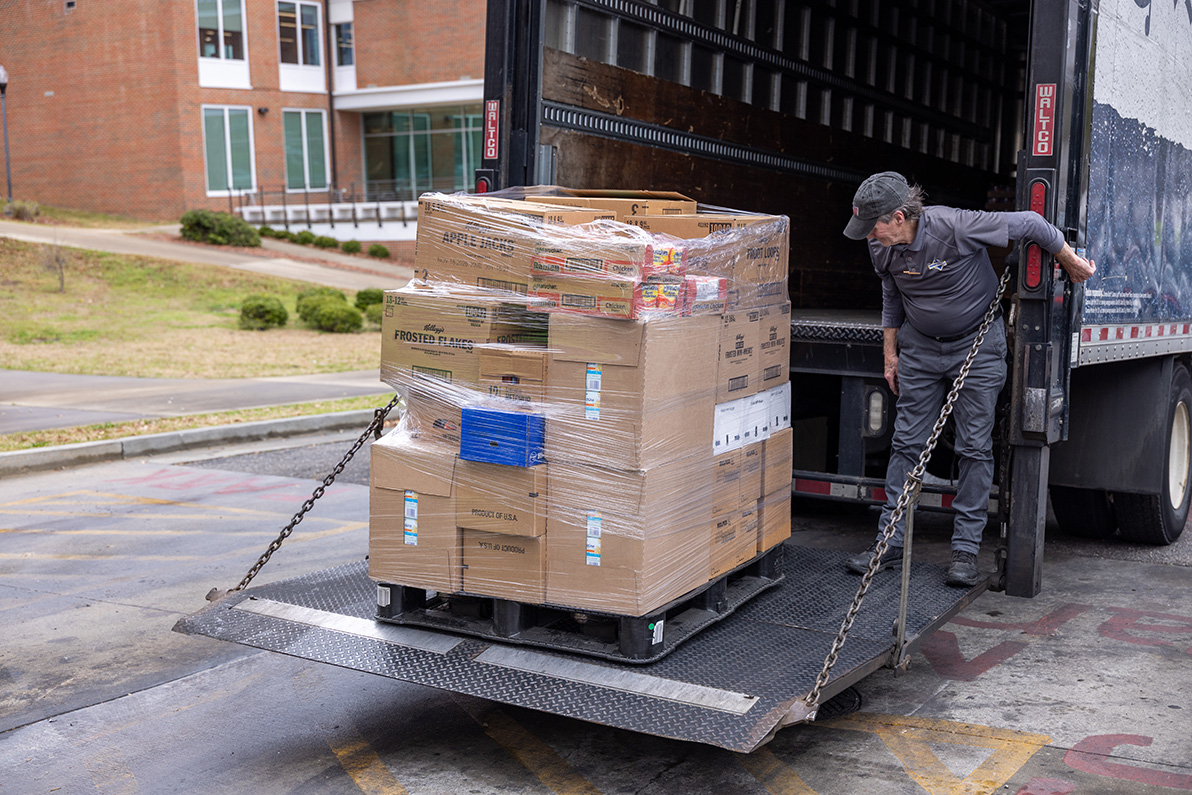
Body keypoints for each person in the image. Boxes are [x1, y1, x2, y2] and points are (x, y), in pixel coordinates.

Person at [841, 171, 1095, 587]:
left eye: (875, 227)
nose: (870, 236)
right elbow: (890, 296)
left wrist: (1070, 260)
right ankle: (888, 542)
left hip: (975, 344)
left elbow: (1030, 224)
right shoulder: (880, 247)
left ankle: (964, 552)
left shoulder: (953, 226)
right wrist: (891, 356)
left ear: (900, 217)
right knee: (906, 444)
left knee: (973, 447)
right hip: (919, 347)